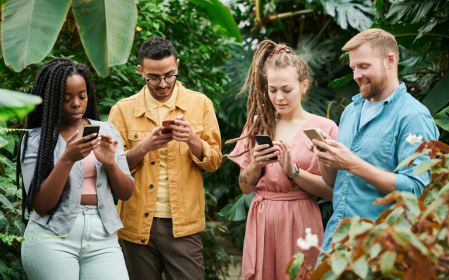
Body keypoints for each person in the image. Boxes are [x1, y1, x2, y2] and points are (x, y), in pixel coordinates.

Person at [306, 28, 440, 254]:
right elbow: (334, 183)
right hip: (337, 243)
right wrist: (326, 157)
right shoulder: (350, 111)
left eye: (364, 66)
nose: (356, 75)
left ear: (390, 60)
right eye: (353, 68)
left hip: (381, 249)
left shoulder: (414, 117)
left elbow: (417, 190)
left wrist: (352, 163)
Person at [108, 36, 222, 280]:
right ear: (141, 71)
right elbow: (111, 170)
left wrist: (193, 140)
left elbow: (215, 163)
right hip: (135, 223)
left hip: (183, 226)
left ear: (177, 66)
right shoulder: (122, 110)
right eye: (154, 77)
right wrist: (143, 147)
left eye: (170, 75)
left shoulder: (200, 104)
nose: (162, 83)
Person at [226, 40, 338, 279]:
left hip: (301, 220)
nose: (279, 97)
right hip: (262, 220)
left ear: (304, 86)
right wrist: (255, 164)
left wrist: (293, 171)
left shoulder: (323, 128)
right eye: (272, 90)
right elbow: (245, 187)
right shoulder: (258, 125)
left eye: (286, 90)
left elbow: (333, 191)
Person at [17, 58, 134, 280]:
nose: (77, 104)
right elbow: (41, 205)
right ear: (51, 99)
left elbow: (126, 193)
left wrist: (110, 163)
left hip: (102, 236)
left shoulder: (106, 130)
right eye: (67, 98)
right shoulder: (36, 140)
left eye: (82, 95)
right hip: (52, 238)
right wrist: (67, 159)